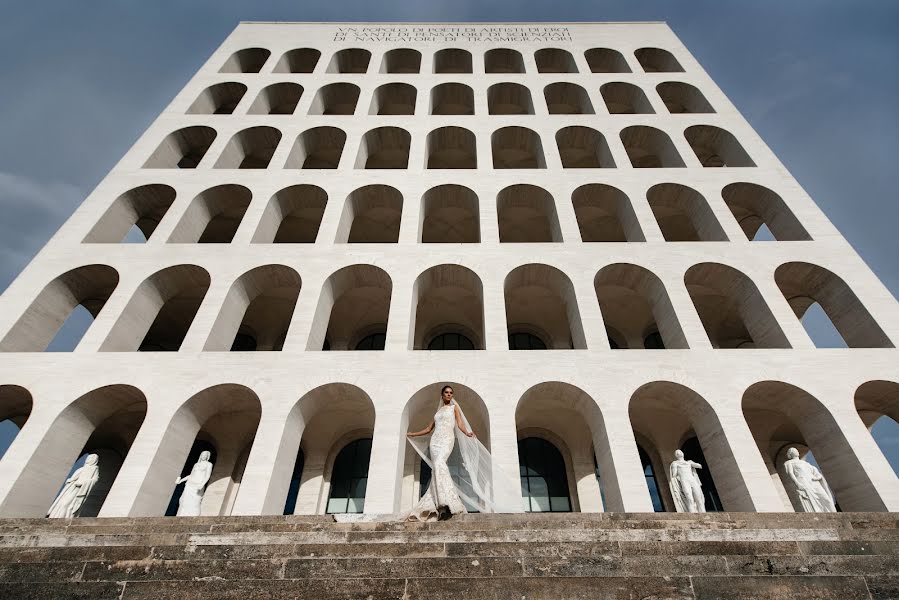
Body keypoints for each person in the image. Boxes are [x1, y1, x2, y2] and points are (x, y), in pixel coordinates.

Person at [406, 385, 476, 521]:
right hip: (435, 441)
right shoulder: (437, 413)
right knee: (437, 468)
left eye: (451, 393)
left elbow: (460, 424)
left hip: (447, 439)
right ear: (442, 395)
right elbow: (428, 429)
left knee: (439, 463)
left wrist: (467, 432)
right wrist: (412, 434)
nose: (449, 395)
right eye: (446, 393)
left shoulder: (454, 408)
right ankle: (441, 505)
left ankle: (447, 501)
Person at [782, 447, 836, 513]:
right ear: (790, 454)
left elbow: (816, 472)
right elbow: (790, 473)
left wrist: (817, 477)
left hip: (814, 482)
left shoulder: (806, 463)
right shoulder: (788, 463)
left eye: (796, 450)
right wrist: (797, 483)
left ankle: (832, 512)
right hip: (803, 482)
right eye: (792, 451)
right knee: (811, 500)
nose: (795, 452)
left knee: (826, 499)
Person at [47, 453, 100, 518]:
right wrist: (70, 480)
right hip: (71, 488)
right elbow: (74, 477)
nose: (88, 459)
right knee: (61, 504)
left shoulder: (94, 469)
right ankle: (56, 518)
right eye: (88, 458)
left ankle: (64, 519)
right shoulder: (82, 468)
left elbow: (95, 480)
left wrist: (84, 483)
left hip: (79, 489)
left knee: (66, 504)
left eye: (90, 458)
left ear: (94, 460)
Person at [175, 450, 213, 516]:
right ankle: (182, 515)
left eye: (205, 455)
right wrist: (181, 480)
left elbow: (207, 476)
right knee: (184, 500)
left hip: (198, 485)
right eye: (202, 455)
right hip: (190, 484)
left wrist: (202, 484)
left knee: (196, 501)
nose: (203, 456)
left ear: (207, 456)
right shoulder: (196, 464)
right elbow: (191, 475)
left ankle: (193, 516)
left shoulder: (209, 464)